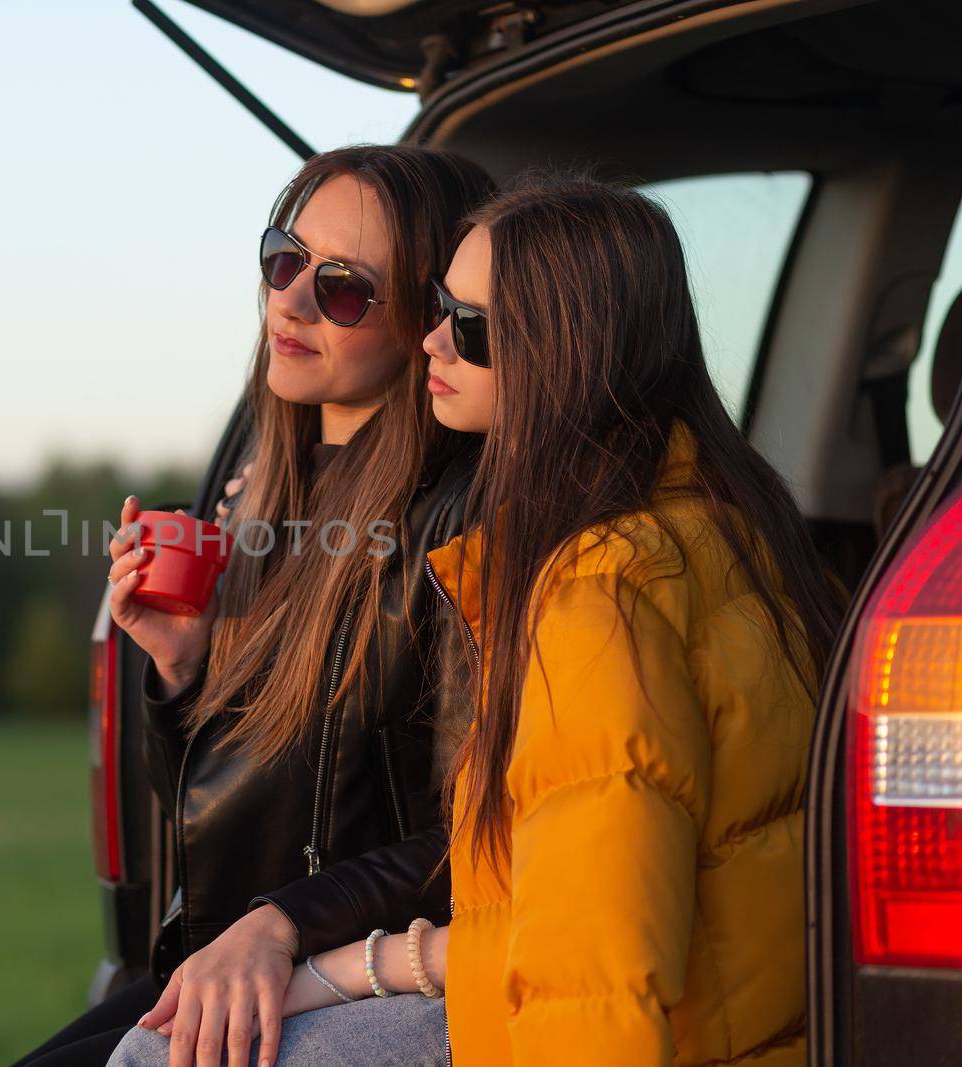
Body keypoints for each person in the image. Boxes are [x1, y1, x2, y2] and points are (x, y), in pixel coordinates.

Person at [113, 175, 842, 1067]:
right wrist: (188, 674)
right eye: (281, 260)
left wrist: (328, 956)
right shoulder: (725, 529)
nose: (431, 339)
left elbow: (586, 990)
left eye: (469, 326)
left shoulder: (594, 592)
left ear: (565, 351)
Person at [10, 145, 494, 1067]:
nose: (292, 300)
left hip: (349, 967)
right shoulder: (266, 500)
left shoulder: (457, 533)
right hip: (231, 953)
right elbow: (234, 824)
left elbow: (481, 834)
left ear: (425, 324)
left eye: (346, 288)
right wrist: (186, 671)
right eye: (284, 258)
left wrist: (282, 924)